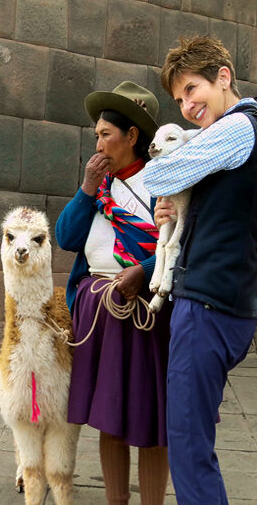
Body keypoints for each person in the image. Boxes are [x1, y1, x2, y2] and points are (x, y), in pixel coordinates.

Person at [143, 36, 257, 505]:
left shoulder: (238, 128)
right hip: (220, 300)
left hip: (209, 307)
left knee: (189, 449)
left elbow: (155, 176)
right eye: (180, 100)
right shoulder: (229, 135)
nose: (188, 106)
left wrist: (171, 181)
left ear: (223, 78)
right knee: (192, 443)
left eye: (193, 90)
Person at [55, 82, 171, 505]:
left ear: (133, 136)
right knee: (110, 418)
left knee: (151, 418)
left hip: (147, 313)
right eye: (97, 134)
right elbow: (66, 237)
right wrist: (87, 187)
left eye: (106, 134)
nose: (99, 142)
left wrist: (145, 270)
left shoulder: (164, 182)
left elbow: (183, 245)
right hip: (98, 310)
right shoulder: (100, 189)